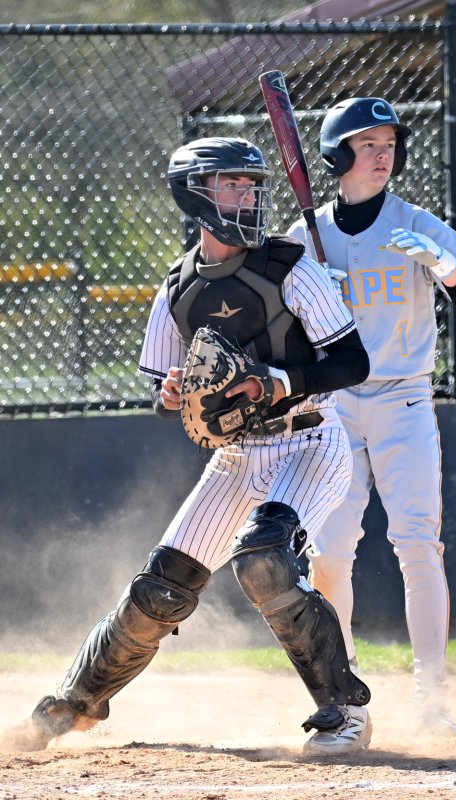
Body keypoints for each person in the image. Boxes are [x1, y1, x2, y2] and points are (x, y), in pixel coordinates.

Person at [0, 136, 372, 757]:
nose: (247, 196)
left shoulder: (290, 266)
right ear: (194, 194)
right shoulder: (178, 286)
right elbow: (163, 389)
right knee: (159, 591)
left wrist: (279, 380)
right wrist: (174, 390)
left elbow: (353, 361)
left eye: (252, 185)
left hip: (309, 442)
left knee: (264, 561)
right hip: (235, 457)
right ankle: (76, 703)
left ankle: (345, 713)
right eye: (232, 184)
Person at [287, 98, 456, 736]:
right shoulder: (305, 237)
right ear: (337, 155)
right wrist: (308, 286)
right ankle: (345, 696)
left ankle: (432, 697)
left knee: (417, 544)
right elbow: (282, 332)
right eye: (367, 143)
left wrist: (450, 270)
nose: (383, 154)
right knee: (330, 552)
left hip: (404, 399)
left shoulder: (417, 224)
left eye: (390, 143)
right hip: (336, 407)